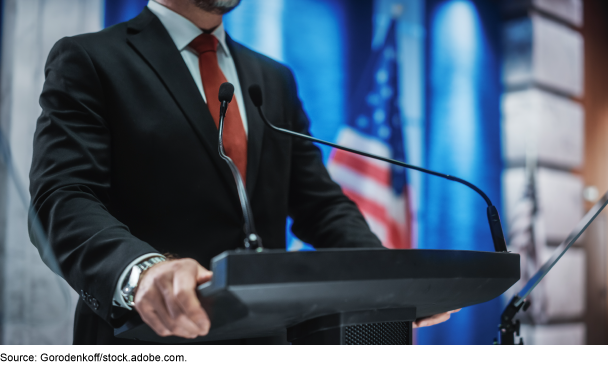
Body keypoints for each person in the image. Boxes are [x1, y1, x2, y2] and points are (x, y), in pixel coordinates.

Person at [29, 0, 458, 345]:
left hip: (269, 338)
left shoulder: (273, 78)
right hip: (149, 338)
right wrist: (144, 270)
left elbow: (320, 205)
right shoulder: (89, 58)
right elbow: (63, 197)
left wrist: (389, 277)